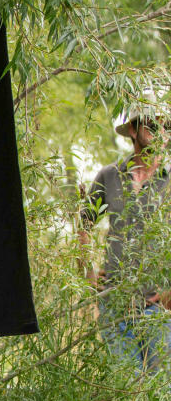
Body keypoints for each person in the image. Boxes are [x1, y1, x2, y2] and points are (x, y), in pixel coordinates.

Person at [80, 106, 171, 371]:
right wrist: (87, 272)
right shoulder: (109, 176)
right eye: (153, 127)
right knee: (124, 386)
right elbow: (83, 223)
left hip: (159, 309)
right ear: (133, 129)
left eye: (167, 127)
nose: (162, 134)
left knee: (159, 394)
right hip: (114, 306)